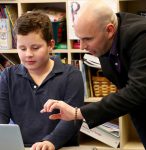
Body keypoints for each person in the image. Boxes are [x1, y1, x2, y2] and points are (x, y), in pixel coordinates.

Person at [40, 0, 146, 149]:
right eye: (80, 38)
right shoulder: (103, 38)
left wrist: (77, 113)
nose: (83, 46)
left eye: (87, 39)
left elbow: (137, 92)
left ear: (109, 30)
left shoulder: (142, 35)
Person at [0, 11, 84, 150]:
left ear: (51, 45)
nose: (28, 54)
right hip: (21, 147)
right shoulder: (7, 76)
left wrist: (50, 142)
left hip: (60, 146)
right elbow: (1, 116)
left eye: (35, 47)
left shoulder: (72, 75)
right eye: (22, 48)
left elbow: (72, 119)